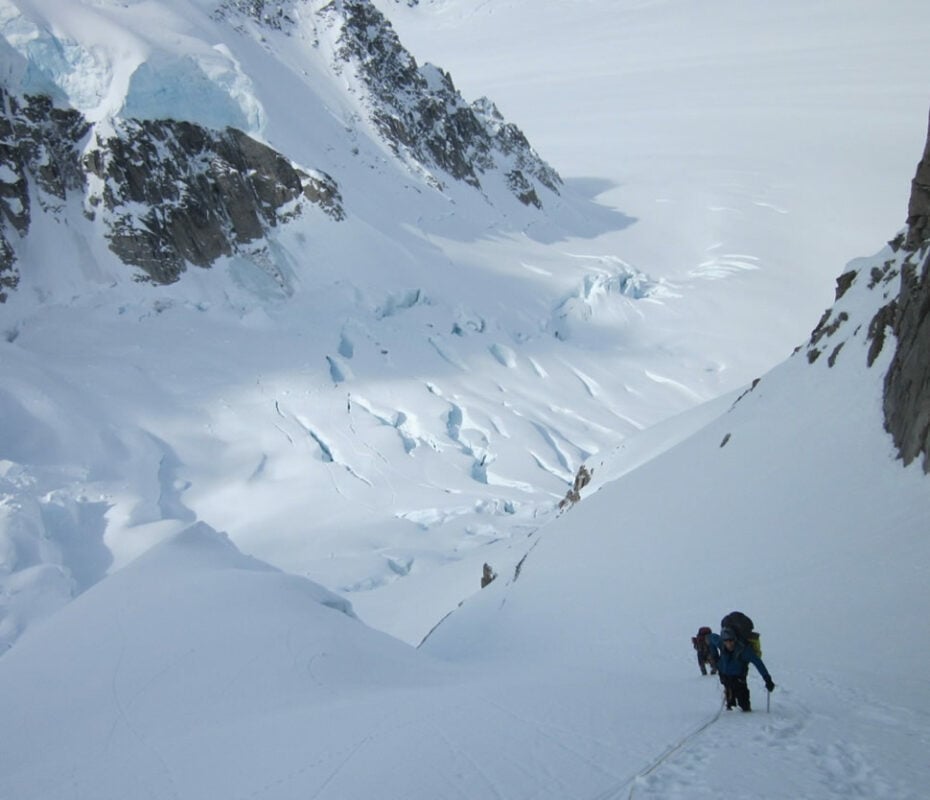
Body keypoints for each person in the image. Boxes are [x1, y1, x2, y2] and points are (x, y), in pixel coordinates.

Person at [714, 627, 775, 711]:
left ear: (735, 639)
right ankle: (731, 707)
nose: (729, 644)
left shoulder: (744, 650)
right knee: (730, 701)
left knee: (744, 703)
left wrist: (767, 679)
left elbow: (758, 663)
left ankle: (744, 711)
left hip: (739, 679)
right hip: (725, 676)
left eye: (731, 640)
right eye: (726, 641)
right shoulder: (720, 643)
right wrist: (715, 658)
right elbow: (709, 638)